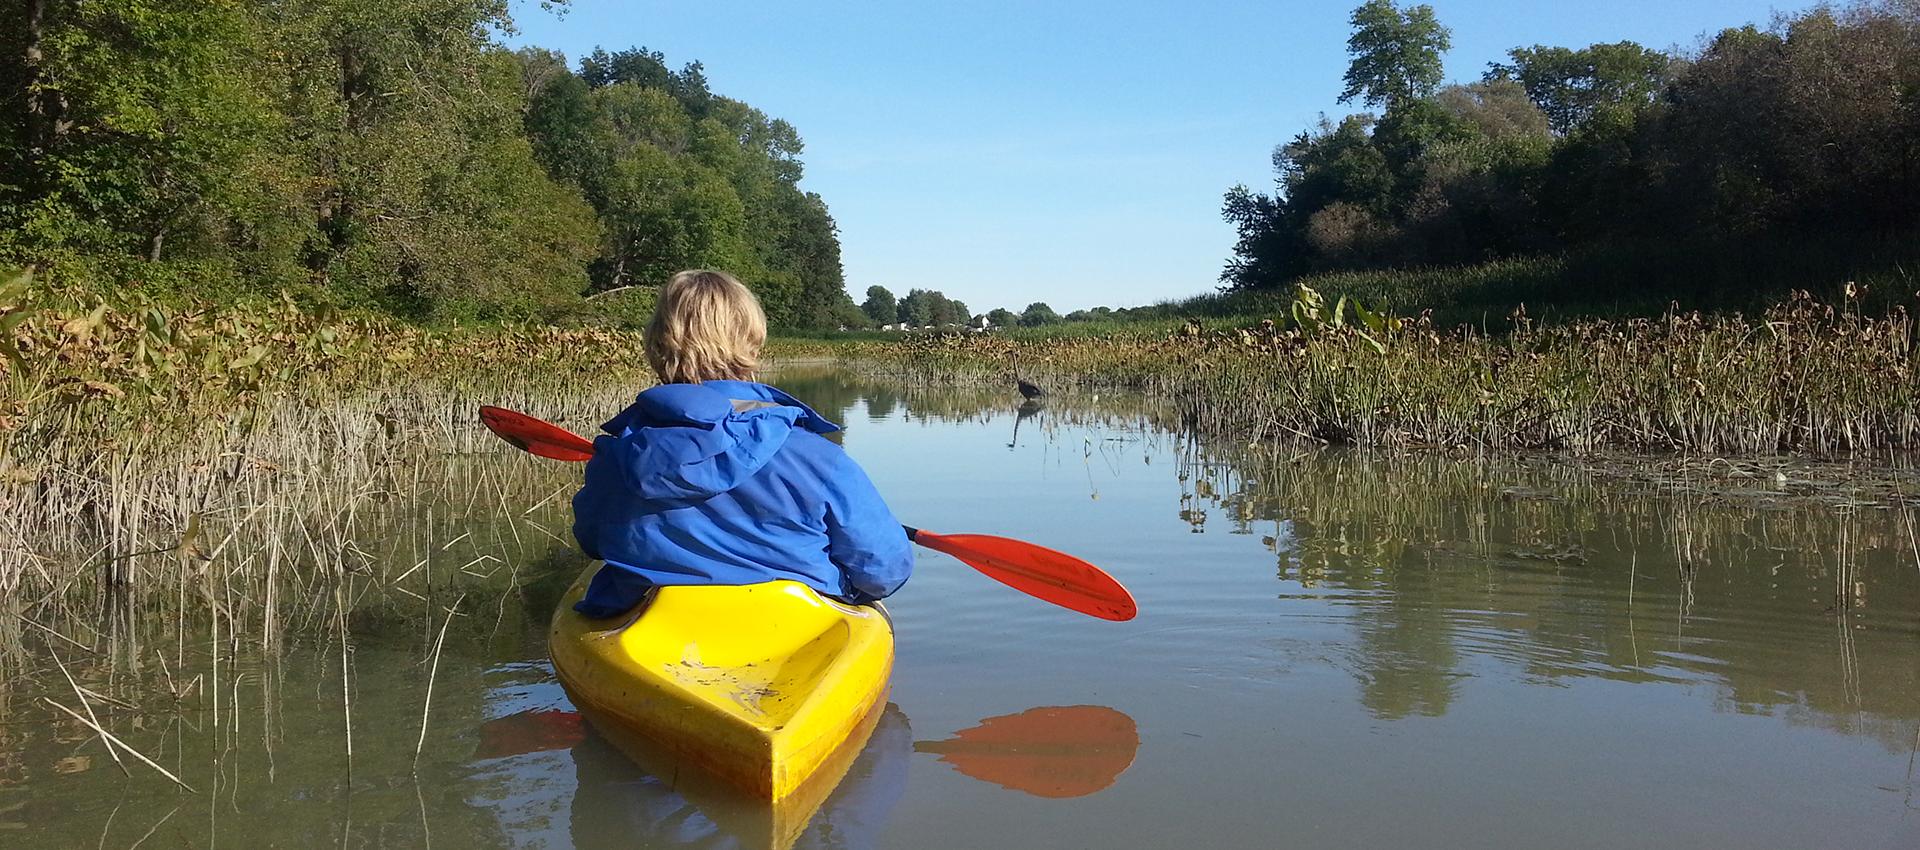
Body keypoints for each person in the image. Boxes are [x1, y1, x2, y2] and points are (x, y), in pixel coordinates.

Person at [570, 269, 913, 618]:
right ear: (751, 343)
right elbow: (884, 571)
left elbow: (592, 540)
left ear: (656, 345)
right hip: (793, 626)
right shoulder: (816, 456)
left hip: (654, 633)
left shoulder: (616, 455)